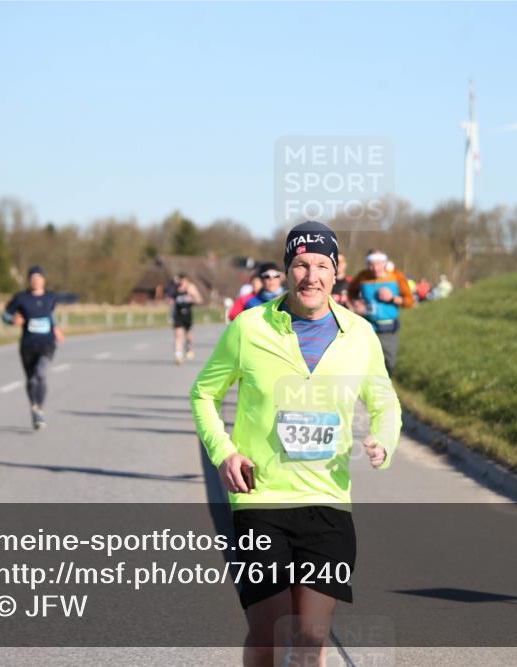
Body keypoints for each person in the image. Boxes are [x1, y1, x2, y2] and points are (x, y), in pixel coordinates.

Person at [190, 220, 400, 667]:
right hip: (261, 501)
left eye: (321, 265)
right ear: (287, 270)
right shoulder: (248, 328)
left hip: (328, 502)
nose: (311, 276)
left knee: (310, 636)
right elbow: (204, 394)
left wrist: (384, 439)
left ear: (336, 271)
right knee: (268, 636)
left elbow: (385, 401)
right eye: (301, 265)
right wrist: (223, 452)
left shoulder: (360, 335)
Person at [2, 266, 65, 430]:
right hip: (28, 345)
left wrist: (56, 328)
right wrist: (12, 320)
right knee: (31, 379)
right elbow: (5, 314)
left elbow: (50, 314)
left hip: (47, 343)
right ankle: (34, 406)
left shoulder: (50, 297)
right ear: (29, 280)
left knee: (41, 373)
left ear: (44, 280)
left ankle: (39, 409)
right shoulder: (21, 298)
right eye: (33, 278)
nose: (36, 281)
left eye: (39, 278)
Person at [346, 250, 415, 375]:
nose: (374, 268)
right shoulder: (363, 276)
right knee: (366, 363)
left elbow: (410, 301)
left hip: (388, 329)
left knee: (389, 363)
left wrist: (392, 298)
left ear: (385, 263)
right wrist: (356, 305)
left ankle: (385, 383)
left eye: (378, 264)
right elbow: (350, 293)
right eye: (371, 265)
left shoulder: (396, 276)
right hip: (367, 326)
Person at [165, 273, 202, 364]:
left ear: (186, 280)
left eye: (182, 280)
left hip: (187, 314)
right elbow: (169, 299)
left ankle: (188, 346)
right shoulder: (174, 288)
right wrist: (170, 301)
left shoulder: (190, 288)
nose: (180, 282)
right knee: (178, 334)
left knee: (188, 334)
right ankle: (178, 356)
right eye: (179, 281)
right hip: (177, 314)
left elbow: (199, 300)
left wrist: (191, 299)